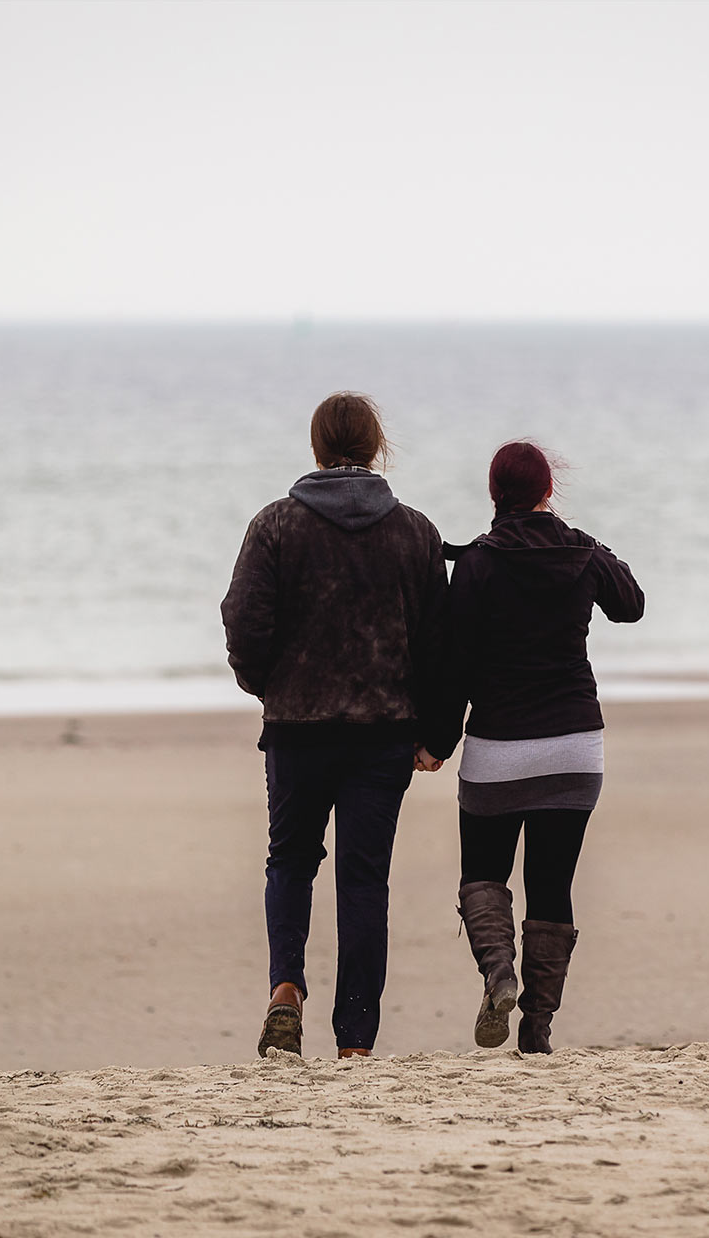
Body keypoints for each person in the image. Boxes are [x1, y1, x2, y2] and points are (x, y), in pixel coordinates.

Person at [221, 392, 452, 1060]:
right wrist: (438, 733)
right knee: (363, 880)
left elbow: (243, 622)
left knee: (290, 860)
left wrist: (268, 684)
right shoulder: (415, 532)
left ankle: (286, 989)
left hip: (297, 725)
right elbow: (440, 645)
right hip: (383, 731)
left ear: (318, 447)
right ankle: (354, 1044)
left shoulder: (276, 527)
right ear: (377, 447)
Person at [419, 440, 644, 1054]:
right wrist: (588, 543)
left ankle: (499, 975)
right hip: (575, 748)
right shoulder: (583, 553)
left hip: (499, 750)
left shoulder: (479, 564)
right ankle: (538, 1027)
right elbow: (632, 605)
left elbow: (454, 664)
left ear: (495, 495)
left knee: (483, 874)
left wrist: (437, 742)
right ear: (548, 490)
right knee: (553, 887)